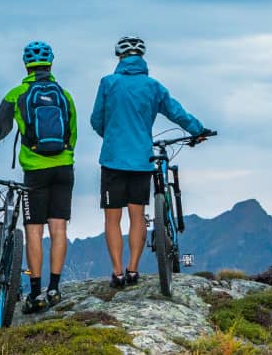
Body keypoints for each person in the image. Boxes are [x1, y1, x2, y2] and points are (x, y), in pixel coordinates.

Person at [0, 41, 76, 313]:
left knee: (34, 230)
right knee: (59, 229)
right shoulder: (65, 95)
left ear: (26, 66)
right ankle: (54, 289)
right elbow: (72, 134)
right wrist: (65, 156)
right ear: (50, 64)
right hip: (64, 168)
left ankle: (35, 293)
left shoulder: (18, 94)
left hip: (35, 171)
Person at [90, 36, 210, 288]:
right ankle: (133, 270)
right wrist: (197, 130)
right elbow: (176, 112)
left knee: (112, 218)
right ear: (142, 58)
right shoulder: (153, 86)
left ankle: (117, 273)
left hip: (112, 160)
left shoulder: (108, 83)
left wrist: (111, 136)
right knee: (137, 216)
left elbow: (96, 120)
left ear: (120, 58)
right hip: (142, 160)